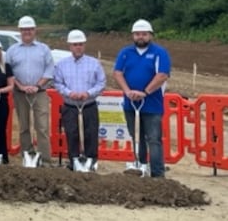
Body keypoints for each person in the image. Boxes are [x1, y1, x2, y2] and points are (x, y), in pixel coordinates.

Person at [113, 19, 171, 178]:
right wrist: (127, 91)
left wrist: (145, 92)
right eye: (137, 34)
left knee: (153, 139)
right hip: (130, 103)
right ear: (133, 35)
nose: (140, 37)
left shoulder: (159, 53)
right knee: (136, 137)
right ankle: (140, 167)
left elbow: (162, 75)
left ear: (150, 35)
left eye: (144, 34)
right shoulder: (125, 53)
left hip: (152, 104)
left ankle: (157, 174)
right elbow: (118, 73)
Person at [53, 30, 106, 170]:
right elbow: (58, 83)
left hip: (88, 106)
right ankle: (74, 162)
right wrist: (69, 93)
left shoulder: (94, 63)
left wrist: (88, 93)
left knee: (91, 135)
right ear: (70, 46)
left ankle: (91, 163)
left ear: (84, 45)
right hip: (70, 106)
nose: (78, 47)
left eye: (81, 44)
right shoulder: (61, 65)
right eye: (75, 44)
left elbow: (101, 83)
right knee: (72, 134)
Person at [6, 15, 55, 166]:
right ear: (20, 31)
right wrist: (20, 86)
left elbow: (49, 70)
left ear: (35, 30)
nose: (27, 32)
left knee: (42, 127)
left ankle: (45, 160)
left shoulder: (44, 49)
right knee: (24, 127)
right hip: (20, 94)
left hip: (39, 93)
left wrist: (37, 86)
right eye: (24, 29)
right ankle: (28, 157)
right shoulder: (12, 50)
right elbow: (9, 72)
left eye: (30, 29)